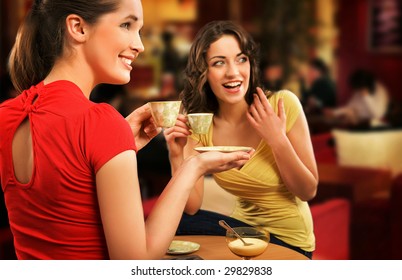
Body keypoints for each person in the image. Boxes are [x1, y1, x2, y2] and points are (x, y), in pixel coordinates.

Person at [0, 0, 251, 260]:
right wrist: (193, 167)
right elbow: (134, 264)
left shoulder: (7, 115)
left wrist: (117, 145)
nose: (139, 45)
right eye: (127, 25)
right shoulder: (100, 122)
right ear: (78, 28)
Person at [164, 21, 318, 259]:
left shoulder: (281, 105)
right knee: (173, 222)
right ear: (203, 72)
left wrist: (276, 138)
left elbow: (308, 191)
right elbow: (191, 206)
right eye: (218, 63)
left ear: (251, 64)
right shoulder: (201, 124)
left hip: (290, 241)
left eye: (241, 59)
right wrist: (176, 154)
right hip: (241, 233)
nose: (233, 72)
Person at [324, 69, 389, 128]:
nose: (356, 91)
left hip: (374, 126)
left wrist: (366, 96)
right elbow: (350, 107)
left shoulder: (380, 90)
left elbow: (377, 114)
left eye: (358, 89)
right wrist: (335, 112)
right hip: (359, 124)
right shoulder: (358, 90)